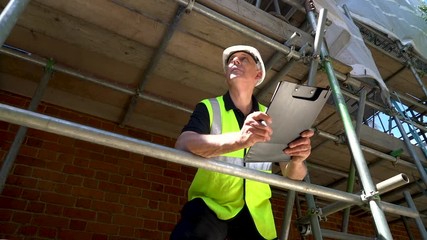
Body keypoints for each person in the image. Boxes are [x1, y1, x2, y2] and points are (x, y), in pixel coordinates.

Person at [170, 45, 314, 240]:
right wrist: (240, 140)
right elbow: (184, 143)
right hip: (211, 207)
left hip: (258, 216)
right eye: (231, 60)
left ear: (258, 74)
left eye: (243, 58)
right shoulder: (210, 107)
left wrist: (297, 160)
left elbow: (293, 175)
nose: (234, 61)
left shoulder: (272, 116)